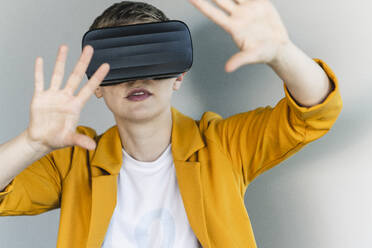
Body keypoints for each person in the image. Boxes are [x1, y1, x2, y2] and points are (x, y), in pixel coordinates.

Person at [0, 0, 343, 247]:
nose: (138, 78)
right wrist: (32, 143)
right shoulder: (74, 162)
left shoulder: (223, 145)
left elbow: (314, 112)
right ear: (97, 87)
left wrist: (282, 51)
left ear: (179, 75)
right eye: (119, 64)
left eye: (152, 58)